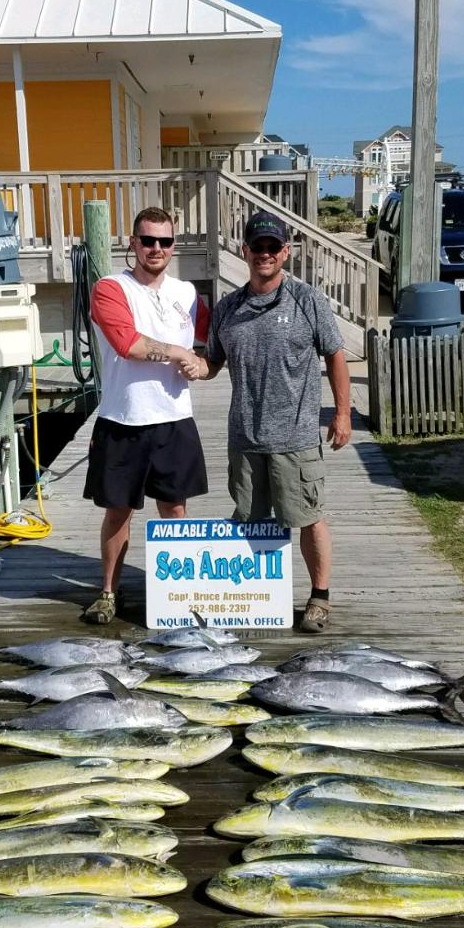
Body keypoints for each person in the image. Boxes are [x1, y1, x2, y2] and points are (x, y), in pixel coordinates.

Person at [185, 208, 352, 634]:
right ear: (244, 251)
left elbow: (335, 355)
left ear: (285, 252)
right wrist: (186, 364)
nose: (264, 254)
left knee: (309, 517)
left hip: (296, 438)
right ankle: (256, 600)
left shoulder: (307, 300)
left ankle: (319, 597)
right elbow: (211, 364)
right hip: (244, 439)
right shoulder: (227, 308)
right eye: (257, 247)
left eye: (272, 247)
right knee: (250, 522)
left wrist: (343, 413)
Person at [80, 206, 209, 625]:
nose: (156, 248)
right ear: (132, 243)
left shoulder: (188, 295)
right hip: (123, 420)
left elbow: (209, 347)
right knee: (118, 512)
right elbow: (127, 344)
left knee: (175, 510)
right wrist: (177, 353)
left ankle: (178, 596)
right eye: (147, 240)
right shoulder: (109, 288)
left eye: (165, 241)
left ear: (174, 247)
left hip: (174, 419)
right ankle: (108, 593)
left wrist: (204, 365)